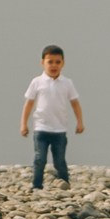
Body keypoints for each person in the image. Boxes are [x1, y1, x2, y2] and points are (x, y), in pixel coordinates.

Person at [20, 44, 84, 189]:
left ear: (63, 63)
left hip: (59, 129)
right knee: (39, 158)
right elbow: (29, 104)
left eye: (57, 62)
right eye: (50, 62)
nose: (54, 65)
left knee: (59, 160)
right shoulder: (37, 82)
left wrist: (80, 122)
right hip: (41, 128)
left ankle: (65, 184)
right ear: (42, 62)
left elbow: (75, 103)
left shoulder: (67, 83)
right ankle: (37, 186)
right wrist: (23, 124)